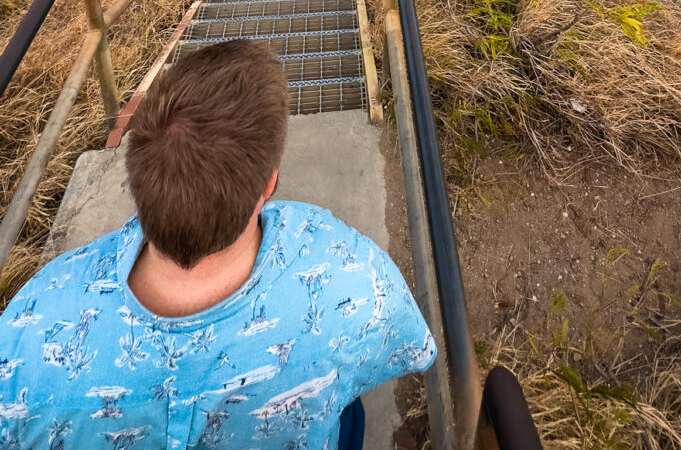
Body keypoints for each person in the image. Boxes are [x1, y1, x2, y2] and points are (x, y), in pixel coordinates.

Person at [0, 40, 435, 450]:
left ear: (139, 180)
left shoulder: (29, 325)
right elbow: (407, 347)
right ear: (268, 184)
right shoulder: (347, 272)